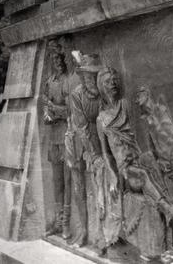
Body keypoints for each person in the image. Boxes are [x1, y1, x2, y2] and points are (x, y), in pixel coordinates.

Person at [96, 67, 173, 257]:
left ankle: (169, 206)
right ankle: (167, 208)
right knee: (143, 174)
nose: (113, 84)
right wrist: (113, 176)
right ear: (101, 87)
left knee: (151, 163)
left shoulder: (125, 105)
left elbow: (142, 131)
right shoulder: (101, 119)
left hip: (138, 160)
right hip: (125, 171)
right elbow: (106, 154)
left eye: (115, 80)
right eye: (107, 81)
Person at [64, 53, 103, 247]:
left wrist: (99, 152)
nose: (92, 80)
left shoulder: (103, 93)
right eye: (88, 77)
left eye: (94, 76)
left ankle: (101, 233)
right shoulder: (76, 95)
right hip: (79, 144)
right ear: (82, 78)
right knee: (79, 189)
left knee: (98, 188)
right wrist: (93, 154)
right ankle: (83, 230)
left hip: (100, 141)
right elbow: (81, 127)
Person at [41, 40, 74, 237]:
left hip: (67, 138)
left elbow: (71, 111)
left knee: (68, 182)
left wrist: (53, 109)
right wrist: (47, 113)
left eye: (60, 58)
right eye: (54, 58)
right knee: (57, 183)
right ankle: (58, 221)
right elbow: (45, 106)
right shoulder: (50, 82)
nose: (58, 62)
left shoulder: (67, 82)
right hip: (54, 138)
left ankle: (67, 223)